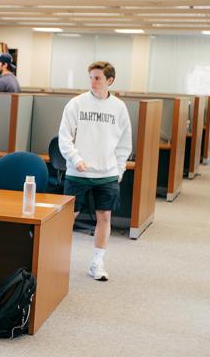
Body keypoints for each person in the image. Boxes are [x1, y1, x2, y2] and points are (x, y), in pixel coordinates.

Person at [58, 61, 131, 282]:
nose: (93, 82)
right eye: (90, 77)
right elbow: (64, 137)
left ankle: (97, 263)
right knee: (67, 218)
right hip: (77, 172)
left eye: (97, 78)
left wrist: (118, 170)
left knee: (104, 217)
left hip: (107, 174)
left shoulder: (119, 108)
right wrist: (76, 159)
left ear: (110, 81)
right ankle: (57, 261)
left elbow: (124, 143)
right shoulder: (76, 104)